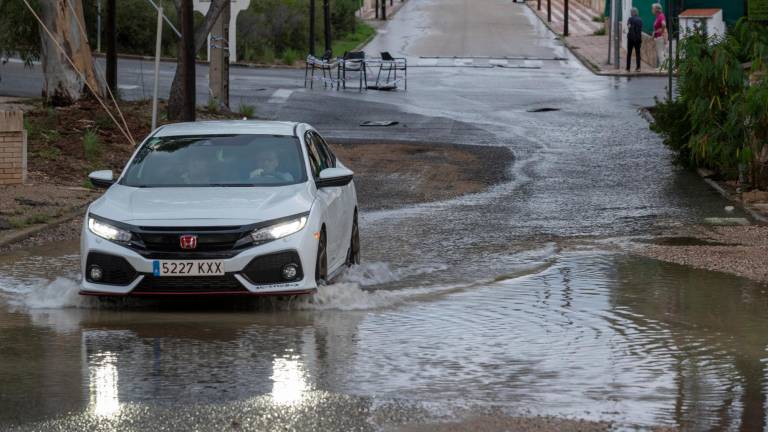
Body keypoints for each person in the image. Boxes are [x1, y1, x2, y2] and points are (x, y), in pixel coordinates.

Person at [626, 8, 643, 72]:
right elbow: (640, 29)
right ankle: (638, 67)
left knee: (629, 53)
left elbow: (628, 26)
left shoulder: (630, 19)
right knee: (638, 53)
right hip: (638, 39)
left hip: (630, 39)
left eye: (631, 12)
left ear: (633, 13)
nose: (630, 13)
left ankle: (628, 68)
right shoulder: (640, 19)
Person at [652, 3, 667, 70]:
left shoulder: (661, 16)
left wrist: (661, 31)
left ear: (656, 9)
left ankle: (663, 67)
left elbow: (664, 24)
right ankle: (662, 66)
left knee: (660, 52)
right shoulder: (658, 16)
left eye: (653, 8)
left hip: (660, 37)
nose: (652, 10)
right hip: (658, 36)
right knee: (660, 52)